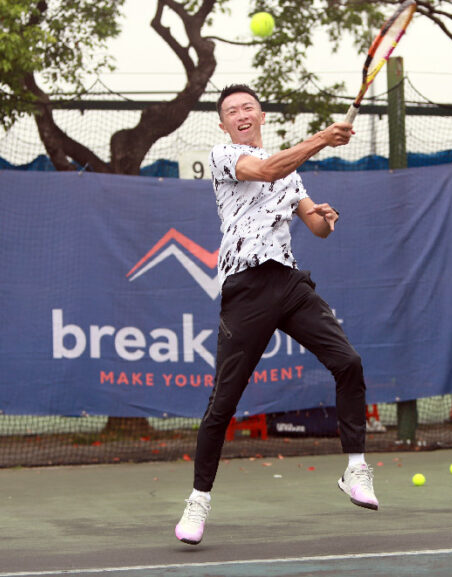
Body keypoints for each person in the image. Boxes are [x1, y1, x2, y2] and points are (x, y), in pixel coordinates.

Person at [174, 84, 378, 546]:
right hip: (245, 289)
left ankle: (356, 468)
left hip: (288, 283)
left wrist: (327, 217)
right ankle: (198, 500)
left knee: (348, 362)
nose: (241, 114)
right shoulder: (224, 156)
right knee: (222, 404)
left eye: (248, 107)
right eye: (231, 110)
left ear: (261, 114)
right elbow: (266, 168)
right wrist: (322, 138)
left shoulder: (292, 175)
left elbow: (316, 228)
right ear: (223, 124)